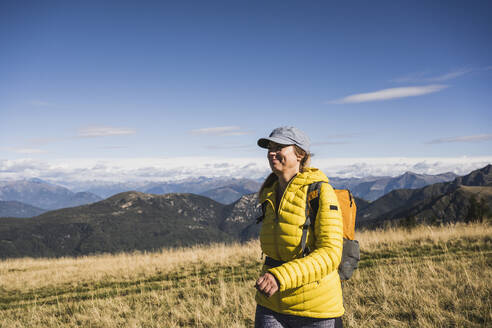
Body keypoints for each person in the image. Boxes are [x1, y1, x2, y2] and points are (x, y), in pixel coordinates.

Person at [254, 126, 344, 328]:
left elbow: (330, 253)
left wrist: (280, 276)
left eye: (279, 147)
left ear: (300, 154)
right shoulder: (268, 193)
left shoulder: (319, 191)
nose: (271, 152)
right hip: (271, 304)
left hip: (316, 310)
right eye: (270, 147)